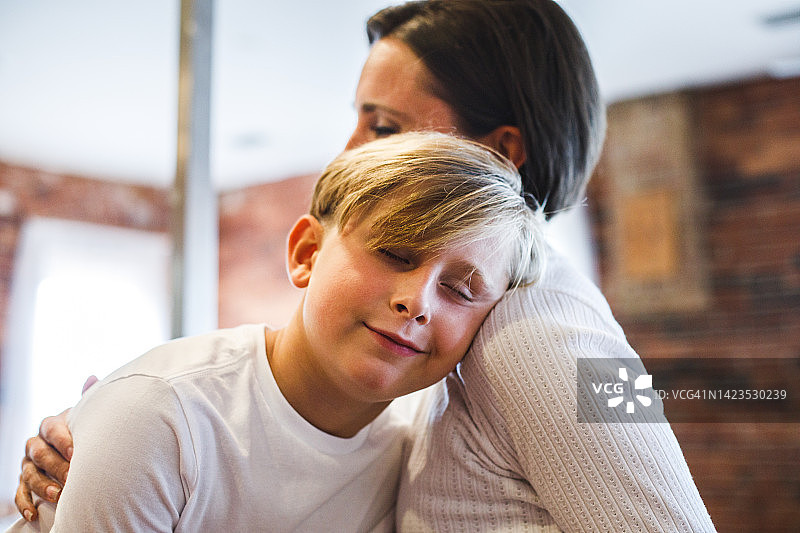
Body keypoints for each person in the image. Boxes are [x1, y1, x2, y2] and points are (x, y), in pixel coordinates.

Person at [15, 0, 717, 531]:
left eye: (383, 126)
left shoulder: (550, 331)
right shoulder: (439, 351)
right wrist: (112, 435)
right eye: (395, 255)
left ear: (500, 153)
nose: (349, 148)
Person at [5, 132, 545, 532]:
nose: (417, 301)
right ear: (307, 253)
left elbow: (606, 395)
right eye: (395, 254)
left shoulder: (428, 446)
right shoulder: (162, 417)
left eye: (461, 289)